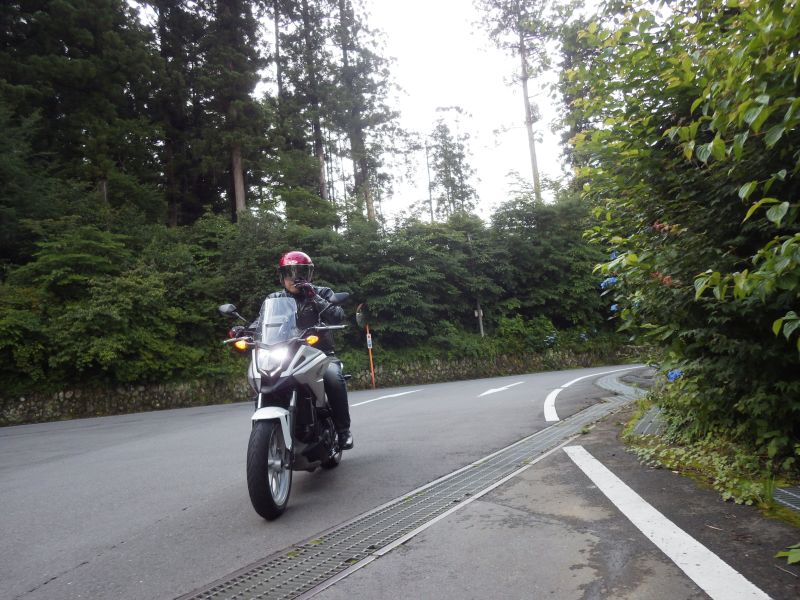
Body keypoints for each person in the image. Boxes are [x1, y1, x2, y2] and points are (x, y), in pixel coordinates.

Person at [269, 250, 353, 451]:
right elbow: (262, 323)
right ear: (282, 276)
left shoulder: (322, 293)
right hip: (287, 356)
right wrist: (245, 330)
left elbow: (337, 316)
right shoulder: (275, 298)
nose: (294, 278)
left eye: (299, 273)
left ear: (308, 275)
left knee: (333, 377)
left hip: (320, 355)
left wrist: (313, 296)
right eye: (289, 273)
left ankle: (343, 431)